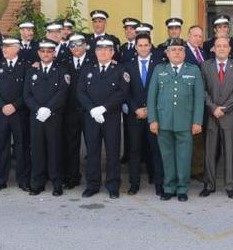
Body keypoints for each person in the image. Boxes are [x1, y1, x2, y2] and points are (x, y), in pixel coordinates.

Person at [147, 38, 204, 202]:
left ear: (184, 53)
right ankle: (169, 187)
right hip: (163, 121)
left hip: (185, 122)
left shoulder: (193, 70)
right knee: (167, 156)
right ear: (167, 53)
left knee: (184, 156)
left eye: (180, 50)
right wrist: (153, 120)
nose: (177, 53)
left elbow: (199, 98)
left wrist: (197, 121)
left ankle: (182, 188)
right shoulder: (159, 70)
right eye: (173, 50)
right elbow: (152, 97)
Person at [78, 38, 130, 199]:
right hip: (91, 117)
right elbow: (80, 92)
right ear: (95, 52)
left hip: (111, 117)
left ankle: (113, 185)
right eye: (100, 49)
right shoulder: (87, 69)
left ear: (112, 52)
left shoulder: (120, 70)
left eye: (107, 49)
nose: (103, 52)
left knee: (113, 151)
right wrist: (93, 109)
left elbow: (123, 92)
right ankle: (92, 185)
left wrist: (104, 108)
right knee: (92, 151)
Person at [200, 36, 233, 199]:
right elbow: (202, 90)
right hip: (212, 116)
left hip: (230, 116)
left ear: (229, 49)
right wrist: (213, 108)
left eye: (224, 46)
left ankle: (230, 186)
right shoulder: (205, 66)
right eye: (218, 46)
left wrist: (224, 109)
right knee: (210, 153)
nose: (221, 48)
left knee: (230, 152)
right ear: (213, 48)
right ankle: (209, 185)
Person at [24, 40, 69, 196]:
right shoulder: (31, 72)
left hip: (54, 117)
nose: (46, 54)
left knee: (54, 150)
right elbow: (27, 95)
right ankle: (37, 183)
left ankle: (57, 183)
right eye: (43, 51)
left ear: (54, 53)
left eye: (49, 51)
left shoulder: (61, 70)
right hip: (36, 117)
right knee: (37, 150)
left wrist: (48, 108)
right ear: (38, 53)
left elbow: (62, 93)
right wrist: (38, 109)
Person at [0, 37, 30, 192]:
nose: (4, 49)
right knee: (0, 147)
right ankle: (0, 179)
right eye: (3, 46)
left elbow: (27, 91)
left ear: (17, 48)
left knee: (21, 147)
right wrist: (2, 105)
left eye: (8, 46)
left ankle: (23, 179)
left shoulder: (25, 66)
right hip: (1, 113)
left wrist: (14, 105)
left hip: (19, 113)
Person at [124, 33, 164, 196]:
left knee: (156, 149)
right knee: (134, 150)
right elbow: (125, 92)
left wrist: (151, 110)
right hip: (135, 115)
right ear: (135, 47)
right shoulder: (127, 65)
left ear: (150, 46)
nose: (143, 48)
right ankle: (134, 183)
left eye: (146, 45)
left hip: (154, 114)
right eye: (140, 45)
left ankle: (159, 183)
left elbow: (162, 90)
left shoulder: (160, 65)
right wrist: (136, 109)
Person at [62, 34, 92, 189]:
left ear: (85, 45)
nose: (76, 48)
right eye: (72, 45)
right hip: (71, 110)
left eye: (79, 44)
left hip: (89, 111)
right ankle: (72, 177)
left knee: (92, 146)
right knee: (71, 146)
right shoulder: (65, 63)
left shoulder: (93, 61)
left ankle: (93, 180)